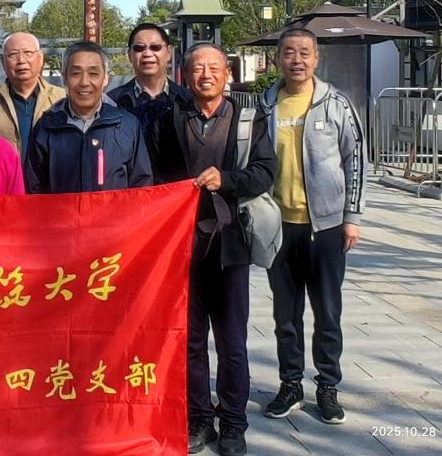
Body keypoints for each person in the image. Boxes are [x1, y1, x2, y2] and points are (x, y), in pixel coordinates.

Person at [150, 43, 276, 456]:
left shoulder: (247, 119)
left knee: (232, 342)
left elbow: (265, 172)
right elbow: (154, 176)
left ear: (227, 74)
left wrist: (227, 179)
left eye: (214, 67)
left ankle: (234, 423)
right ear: (185, 76)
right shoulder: (170, 119)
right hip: (182, 245)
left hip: (230, 245)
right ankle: (199, 419)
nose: (206, 74)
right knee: (190, 341)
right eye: (197, 68)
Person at [258, 28, 365, 425]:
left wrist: (352, 218)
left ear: (316, 58)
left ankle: (328, 386)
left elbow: (356, 160)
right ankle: (290, 385)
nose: (297, 60)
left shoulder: (336, 104)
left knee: (327, 312)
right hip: (278, 227)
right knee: (285, 316)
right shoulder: (266, 105)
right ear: (278, 59)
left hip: (326, 228)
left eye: (304, 52)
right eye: (289, 52)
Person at [24, 40, 152, 193]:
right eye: (76, 73)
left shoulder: (127, 125)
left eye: (93, 74)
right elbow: (33, 189)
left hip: (113, 210)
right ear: (64, 78)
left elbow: (141, 187)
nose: (84, 82)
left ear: (105, 78)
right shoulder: (46, 127)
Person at [0, 32, 65, 160]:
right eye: (13, 55)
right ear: (3, 62)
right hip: (3, 172)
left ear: (40, 58)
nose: (21, 60)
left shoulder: (62, 98)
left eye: (28, 53)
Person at [108, 22, 190, 133]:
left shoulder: (187, 100)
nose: (147, 54)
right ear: (129, 54)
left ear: (168, 53)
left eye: (155, 47)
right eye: (139, 48)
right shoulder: (112, 103)